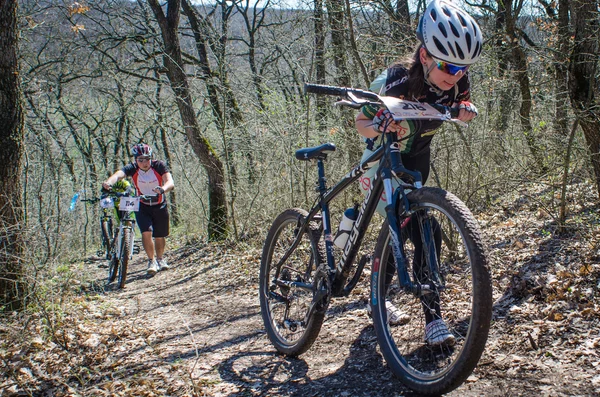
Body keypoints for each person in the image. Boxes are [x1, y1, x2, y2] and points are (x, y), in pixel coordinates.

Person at [356, 0, 482, 346]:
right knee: (418, 230)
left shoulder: (457, 80)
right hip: (383, 162)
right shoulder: (395, 80)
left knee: (409, 231)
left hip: (417, 164)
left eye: (462, 68)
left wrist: (464, 111)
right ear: (425, 56)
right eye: (447, 66)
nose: (454, 75)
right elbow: (361, 123)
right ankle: (427, 318)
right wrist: (380, 124)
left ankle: (384, 301)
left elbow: (460, 106)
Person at [102, 143, 175, 276]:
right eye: (140, 159)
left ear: (151, 158)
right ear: (136, 160)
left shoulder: (159, 166)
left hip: (159, 204)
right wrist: (109, 183)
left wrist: (163, 189)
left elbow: (170, 181)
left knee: (159, 235)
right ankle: (151, 261)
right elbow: (118, 175)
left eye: (146, 159)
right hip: (142, 204)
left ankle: (160, 259)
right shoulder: (133, 168)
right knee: (146, 232)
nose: (144, 162)